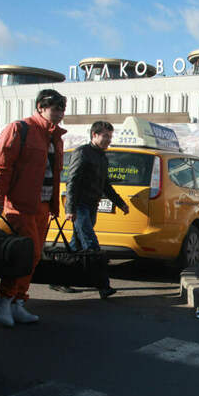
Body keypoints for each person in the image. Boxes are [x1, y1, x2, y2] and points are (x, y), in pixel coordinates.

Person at [0, 89, 67, 327]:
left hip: (42, 205)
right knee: (25, 254)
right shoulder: (20, 129)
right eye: (56, 108)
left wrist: (54, 204)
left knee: (32, 258)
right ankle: (3, 299)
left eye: (63, 108)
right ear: (41, 107)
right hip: (19, 205)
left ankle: (17, 301)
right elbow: (0, 166)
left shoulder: (54, 136)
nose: (61, 113)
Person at [62, 121, 129, 299]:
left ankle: (61, 279)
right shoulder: (82, 152)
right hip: (80, 206)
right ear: (94, 135)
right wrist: (70, 208)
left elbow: (105, 185)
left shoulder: (102, 157)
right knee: (91, 245)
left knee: (76, 245)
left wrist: (120, 203)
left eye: (110, 136)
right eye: (105, 136)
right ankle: (103, 285)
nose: (109, 140)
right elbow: (72, 181)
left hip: (92, 206)